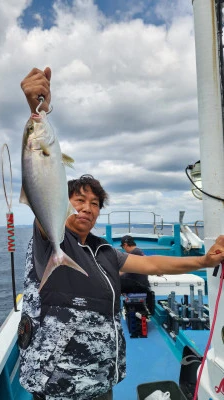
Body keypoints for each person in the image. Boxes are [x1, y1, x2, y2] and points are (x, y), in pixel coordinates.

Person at [19, 67, 224, 400]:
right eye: (78, 200)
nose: (86, 208)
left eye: (94, 203)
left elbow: (155, 265)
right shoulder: (50, 239)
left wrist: (203, 259)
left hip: (102, 381)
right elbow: (41, 178)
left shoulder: (105, 253)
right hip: (59, 386)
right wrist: (38, 109)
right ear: (63, 202)